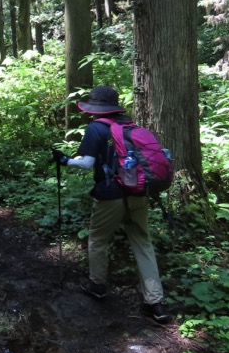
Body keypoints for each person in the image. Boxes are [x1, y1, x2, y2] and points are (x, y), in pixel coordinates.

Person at [53, 85, 171, 324]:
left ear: (96, 108)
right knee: (143, 244)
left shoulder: (96, 128)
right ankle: (155, 303)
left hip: (110, 196)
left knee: (97, 239)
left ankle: (97, 285)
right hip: (139, 192)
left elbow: (86, 164)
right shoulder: (131, 126)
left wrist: (65, 160)